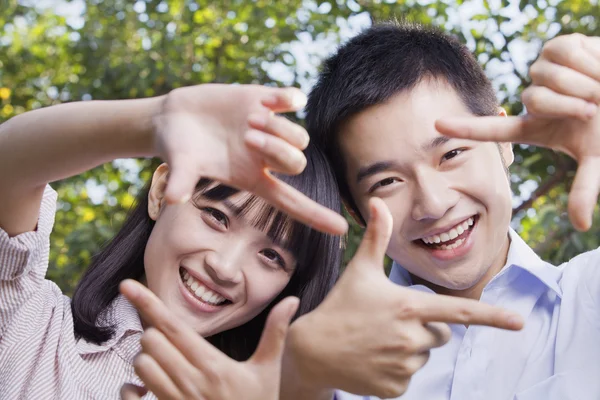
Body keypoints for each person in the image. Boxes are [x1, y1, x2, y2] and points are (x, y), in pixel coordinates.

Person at [295, 22, 600, 400]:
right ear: (355, 211)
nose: (434, 204)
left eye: (452, 154)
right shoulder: (327, 373)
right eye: (387, 181)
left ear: (504, 143)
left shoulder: (590, 293)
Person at [0, 83, 347, 399]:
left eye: (272, 256)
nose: (224, 267)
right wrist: (154, 121)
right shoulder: (31, 324)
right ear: (162, 191)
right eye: (217, 217)